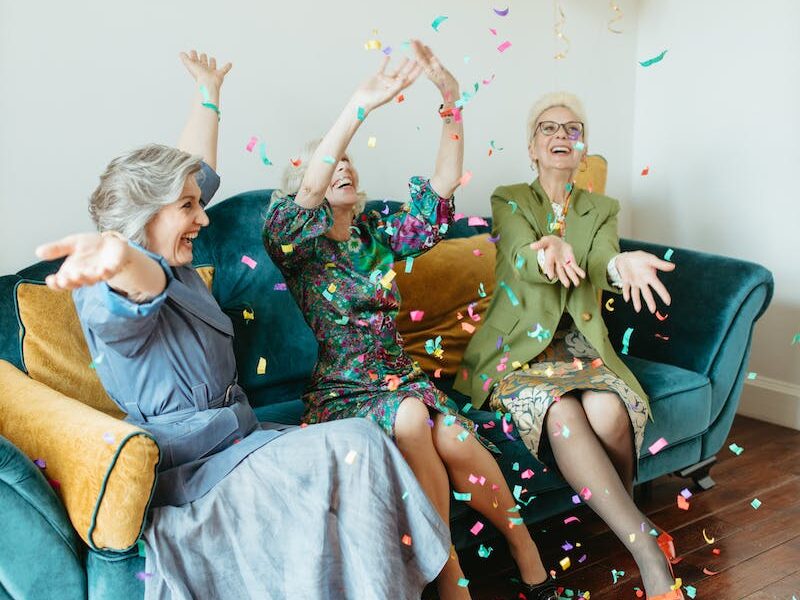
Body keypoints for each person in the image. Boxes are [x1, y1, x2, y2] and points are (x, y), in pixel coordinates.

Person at [36, 50, 451, 600]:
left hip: (243, 438)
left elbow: (195, 169)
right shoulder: (111, 287)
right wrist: (115, 255)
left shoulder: (173, 253)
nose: (203, 217)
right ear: (146, 218)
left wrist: (208, 95)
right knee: (357, 445)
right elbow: (139, 286)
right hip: (195, 471)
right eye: (189, 207)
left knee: (362, 449)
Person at [263, 41, 557, 600]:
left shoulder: (376, 235)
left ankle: (525, 549)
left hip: (401, 380)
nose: (342, 165)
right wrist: (359, 107)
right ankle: (450, 578)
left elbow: (442, 190)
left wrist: (450, 102)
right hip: (345, 391)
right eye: (331, 162)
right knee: (410, 416)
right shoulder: (295, 246)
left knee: (451, 433)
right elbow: (306, 188)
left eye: (349, 160)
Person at [456, 91, 682, 600]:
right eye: (548, 128)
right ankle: (645, 546)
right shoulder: (509, 198)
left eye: (572, 129)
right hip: (521, 353)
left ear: (583, 148)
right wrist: (547, 251)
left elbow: (604, 257)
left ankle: (619, 525)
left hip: (581, 347)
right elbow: (517, 256)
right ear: (532, 147)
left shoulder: (602, 208)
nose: (561, 136)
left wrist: (621, 267)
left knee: (608, 413)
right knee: (561, 415)